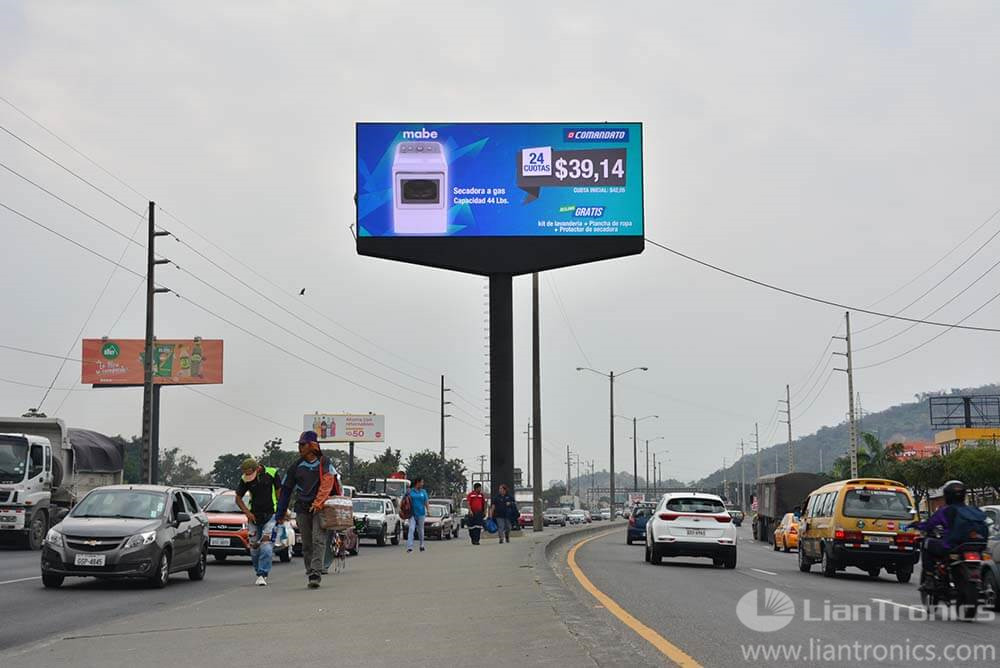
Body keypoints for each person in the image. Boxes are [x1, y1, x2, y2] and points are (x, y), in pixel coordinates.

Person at [276, 431, 337, 589]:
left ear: (312, 446)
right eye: (299, 445)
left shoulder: (325, 463)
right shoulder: (296, 467)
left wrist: (320, 502)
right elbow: (286, 491)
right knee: (307, 544)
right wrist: (280, 513)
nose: (299, 448)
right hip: (303, 509)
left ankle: (316, 573)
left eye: (302, 445)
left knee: (318, 540)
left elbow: (330, 485)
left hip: (321, 508)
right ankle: (310, 570)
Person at [909, 479, 989, 584]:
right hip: (978, 546)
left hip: (952, 546)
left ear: (947, 495)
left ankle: (929, 577)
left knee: (926, 543)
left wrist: (917, 525)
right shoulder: (974, 509)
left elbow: (929, 524)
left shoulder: (946, 510)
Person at [235, 458, 281, 586]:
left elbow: (279, 493)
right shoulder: (244, 479)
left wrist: (282, 511)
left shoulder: (272, 473)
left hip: (270, 515)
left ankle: (262, 574)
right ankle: (258, 570)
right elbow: (238, 498)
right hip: (254, 517)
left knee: (266, 546)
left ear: (257, 469)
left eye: (250, 473)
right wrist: (247, 513)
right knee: (254, 548)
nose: (248, 477)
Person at [405, 477, 429, 553]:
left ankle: (421, 545)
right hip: (412, 513)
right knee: (411, 529)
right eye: (421, 482)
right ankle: (410, 547)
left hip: (421, 513)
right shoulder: (410, 491)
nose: (422, 484)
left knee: (421, 530)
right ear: (417, 483)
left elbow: (426, 501)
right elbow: (404, 500)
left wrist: (428, 510)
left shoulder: (423, 492)